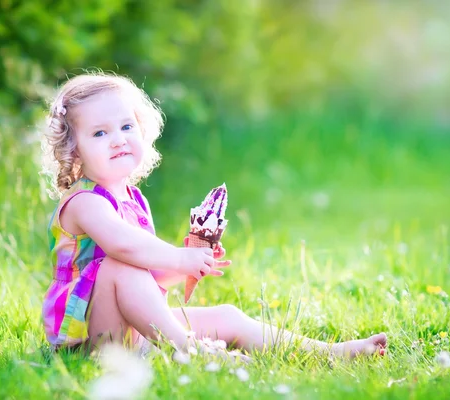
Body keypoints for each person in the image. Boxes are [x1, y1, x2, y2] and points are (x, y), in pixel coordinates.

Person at [41, 72, 387, 360]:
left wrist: (188, 264)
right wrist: (178, 255)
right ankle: (189, 349)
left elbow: (148, 281)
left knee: (227, 316)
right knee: (116, 263)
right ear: (74, 150)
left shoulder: (132, 199)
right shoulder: (85, 202)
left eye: (126, 127)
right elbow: (123, 248)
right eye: (100, 133)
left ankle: (332, 352)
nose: (117, 140)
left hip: (132, 332)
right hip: (88, 342)